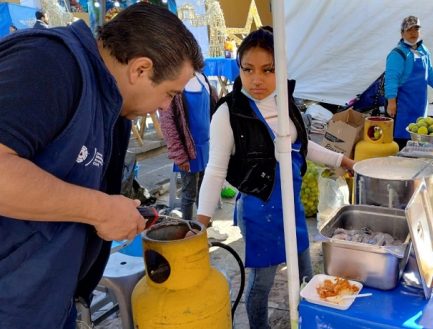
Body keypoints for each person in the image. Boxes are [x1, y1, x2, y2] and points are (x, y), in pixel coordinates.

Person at [0, 3, 202, 328]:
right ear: (140, 69)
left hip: (47, 302)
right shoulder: (49, 63)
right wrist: (98, 209)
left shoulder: (109, 104)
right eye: (169, 94)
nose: (166, 107)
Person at [196, 26, 355, 329]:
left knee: (306, 273)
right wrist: (201, 222)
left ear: (280, 69)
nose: (257, 79)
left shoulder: (286, 103)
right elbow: (215, 170)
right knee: (261, 281)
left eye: (268, 70)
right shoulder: (228, 113)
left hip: (290, 205)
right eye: (248, 69)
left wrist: (344, 160)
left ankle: (307, 321)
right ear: (238, 68)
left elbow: (303, 148)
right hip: (259, 211)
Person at [385, 15, 433, 149]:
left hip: (420, 103)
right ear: (402, 33)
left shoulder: (423, 50)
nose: (413, 33)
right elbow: (391, 79)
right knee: (402, 140)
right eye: (409, 30)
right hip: (403, 105)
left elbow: (429, 72)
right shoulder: (397, 54)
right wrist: (391, 102)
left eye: (416, 29)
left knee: (419, 135)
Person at [159, 72, 213, 220]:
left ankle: (203, 226)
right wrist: (179, 155)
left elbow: (212, 109)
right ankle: (187, 229)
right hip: (188, 150)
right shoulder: (173, 84)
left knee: (204, 190)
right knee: (189, 194)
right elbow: (167, 124)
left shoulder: (203, 78)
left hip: (206, 147)